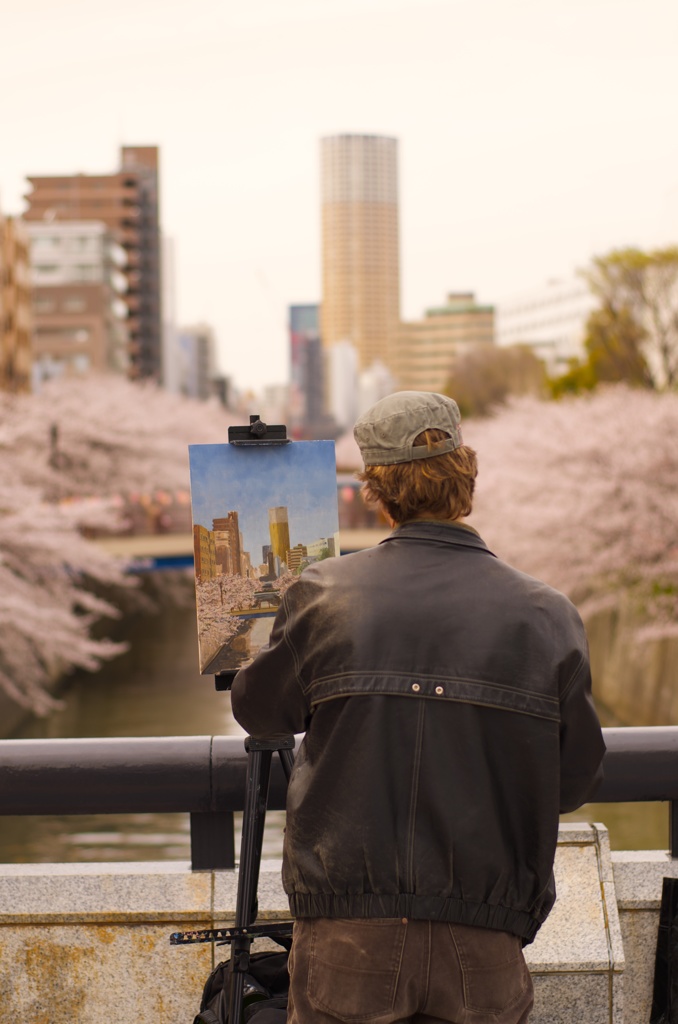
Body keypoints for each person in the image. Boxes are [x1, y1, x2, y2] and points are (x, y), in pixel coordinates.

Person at [231, 390, 605, 1024]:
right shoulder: (548, 614)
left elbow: (261, 712)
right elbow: (573, 781)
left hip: (349, 931)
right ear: (468, 477)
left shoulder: (324, 594)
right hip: (485, 935)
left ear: (377, 492)